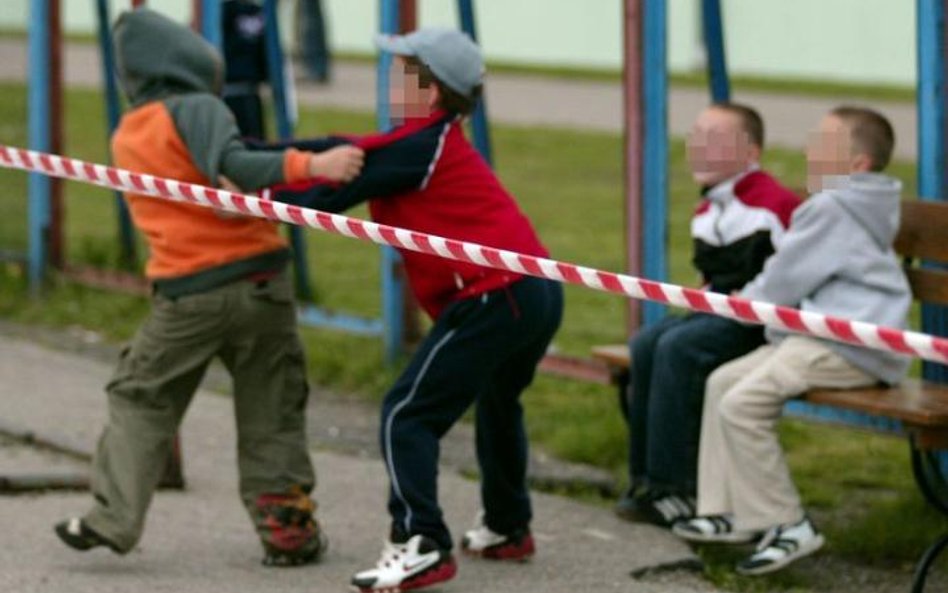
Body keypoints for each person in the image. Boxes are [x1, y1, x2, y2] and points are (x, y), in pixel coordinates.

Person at [53, 8, 363, 567]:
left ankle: (113, 516)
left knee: (141, 394)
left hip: (187, 293)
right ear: (188, 60)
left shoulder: (128, 133)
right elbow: (237, 166)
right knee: (271, 406)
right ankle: (285, 524)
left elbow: (210, 174)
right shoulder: (200, 107)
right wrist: (315, 161)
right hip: (260, 282)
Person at [261, 28, 563, 593]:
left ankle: (420, 541)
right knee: (498, 403)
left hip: (497, 295)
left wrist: (252, 195)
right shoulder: (421, 140)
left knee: (407, 413)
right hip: (536, 292)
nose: (390, 82)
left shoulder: (420, 147)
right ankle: (507, 527)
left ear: (432, 92)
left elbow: (328, 193)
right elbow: (331, 147)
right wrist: (251, 151)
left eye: (401, 74)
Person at [673, 106, 911, 575]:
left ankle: (787, 523)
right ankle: (730, 511)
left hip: (848, 344)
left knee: (743, 403)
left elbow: (784, 279)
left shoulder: (832, 205)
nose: (808, 149)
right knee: (722, 381)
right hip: (826, 336)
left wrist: (744, 300)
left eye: (823, 143)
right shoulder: (859, 200)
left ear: (858, 164)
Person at [615, 103, 801, 527]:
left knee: (680, 347)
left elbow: (794, 278)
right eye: (696, 134)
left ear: (751, 153)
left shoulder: (775, 206)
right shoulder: (706, 212)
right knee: (647, 343)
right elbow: (711, 281)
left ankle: (677, 487)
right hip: (721, 313)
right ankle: (645, 481)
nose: (700, 146)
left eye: (715, 138)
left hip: (765, 324)